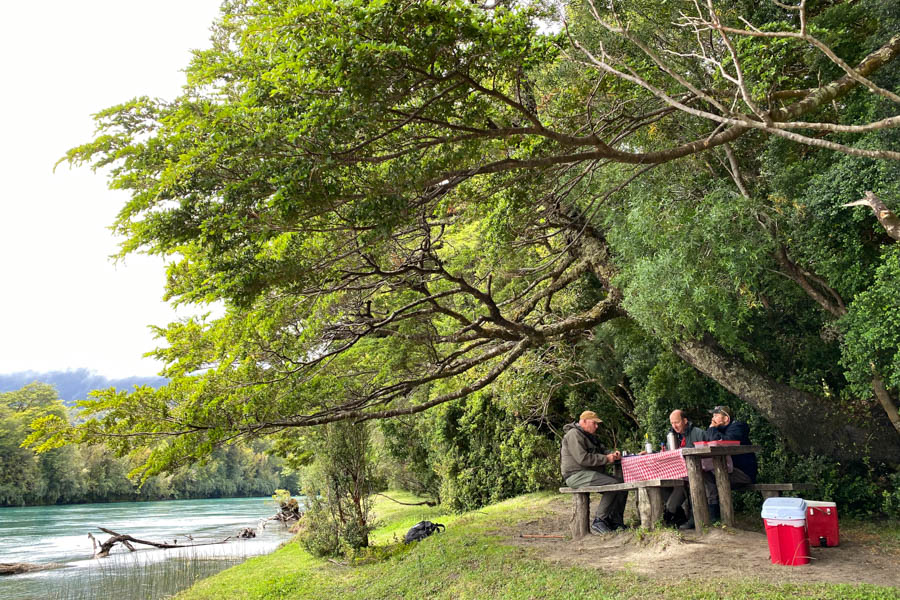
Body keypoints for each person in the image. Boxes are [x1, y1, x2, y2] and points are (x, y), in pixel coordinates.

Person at [560, 410, 628, 534]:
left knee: (622, 485)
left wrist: (612, 454)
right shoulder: (574, 434)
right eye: (594, 423)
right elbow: (583, 459)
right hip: (576, 475)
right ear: (584, 421)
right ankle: (599, 521)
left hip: (588, 473)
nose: (597, 426)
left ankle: (615, 522)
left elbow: (602, 450)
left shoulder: (588, 435)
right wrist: (606, 459)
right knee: (613, 485)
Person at [703, 405, 758, 522]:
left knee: (713, 477)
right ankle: (708, 515)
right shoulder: (719, 430)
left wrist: (712, 428)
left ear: (726, 419)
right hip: (728, 470)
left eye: (716, 416)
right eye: (713, 416)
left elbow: (721, 442)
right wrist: (712, 429)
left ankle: (717, 517)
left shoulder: (737, 427)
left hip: (743, 473)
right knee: (702, 475)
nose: (713, 419)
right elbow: (710, 440)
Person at [661, 409, 706, 528]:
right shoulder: (671, 436)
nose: (674, 426)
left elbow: (706, 456)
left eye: (677, 422)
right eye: (672, 423)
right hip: (678, 473)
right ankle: (677, 516)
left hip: (698, 472)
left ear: (685, 421)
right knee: (660, 484)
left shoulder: (698, 433)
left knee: (683, 486)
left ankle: (685, 517)